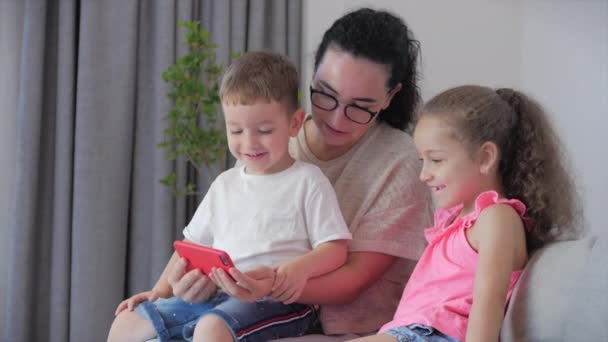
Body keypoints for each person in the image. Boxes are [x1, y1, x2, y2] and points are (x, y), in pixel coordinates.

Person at [209, 7, 434, 339]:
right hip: (248, 306)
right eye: (326, 95)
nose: (336, 119)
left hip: (346, 329)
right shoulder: (273, 137)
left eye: (360, 106)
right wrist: (200, 278)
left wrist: (267, 284)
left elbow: (350, 284)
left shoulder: (401, 163)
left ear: (389, 97)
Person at [107, 51, 353, 342]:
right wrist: (160, 291)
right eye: (235, 130)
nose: (248, 143)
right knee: (126, 323)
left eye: (264, 130)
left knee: (211, 328)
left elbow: (336, 249)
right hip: (216, 295)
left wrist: (296, 270)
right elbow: (189, 246)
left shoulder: (308, 181)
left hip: (280, 301)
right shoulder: (224, 184)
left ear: (295, 123)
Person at [349, 85, 581, 342]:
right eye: (421, 160)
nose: (424, 174)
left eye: (436, 160)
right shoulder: (455, 221)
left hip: (431, 334)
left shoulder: (497, 218)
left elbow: (488, 303)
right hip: (410, 331)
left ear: (485, 158)